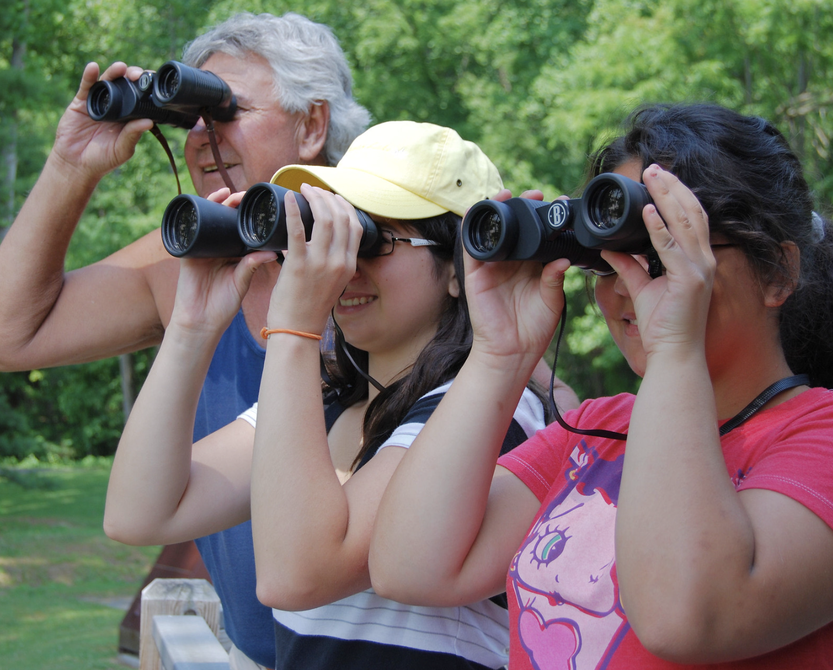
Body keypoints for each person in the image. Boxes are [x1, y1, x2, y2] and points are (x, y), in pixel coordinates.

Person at [369, 103, 833, 668]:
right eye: (607, 260)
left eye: (666, 251)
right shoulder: (598, 429)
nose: (628, 285)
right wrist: (499, 353)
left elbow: (685, 616)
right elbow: (410, 565)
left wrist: (675, 347)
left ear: (777, 273)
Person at [0, 12, 372, 670]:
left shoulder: (391, 265)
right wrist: (73, 166)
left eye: (226, 110)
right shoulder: (189, 264)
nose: (203, 138)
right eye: (191, 118)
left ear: (313, 123)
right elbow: (1, 336)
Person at [104, 121, 561, 669]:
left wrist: (294, 328)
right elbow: (139, 512)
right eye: (330, 233)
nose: (343, 264)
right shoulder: (327, 400)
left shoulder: (491, 411)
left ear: (461, 268)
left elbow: (296, 575)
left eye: (372, 238)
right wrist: (191, 326)